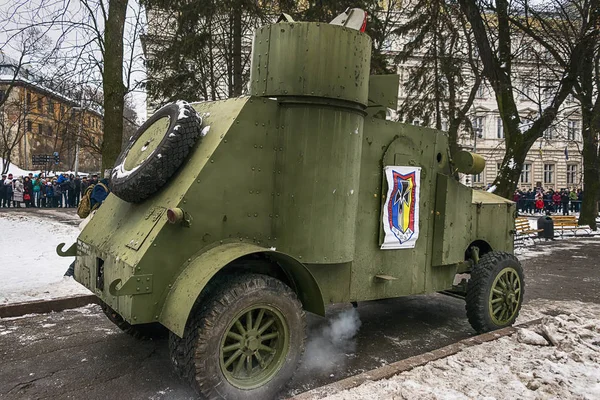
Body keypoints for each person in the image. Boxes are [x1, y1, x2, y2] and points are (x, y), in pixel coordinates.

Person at [65, 176, 110, 277]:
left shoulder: (103, 187)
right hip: (96, 219)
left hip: (100, 221)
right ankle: (70, 273)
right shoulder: (100, 187)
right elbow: (103, 201)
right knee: (88, 250)